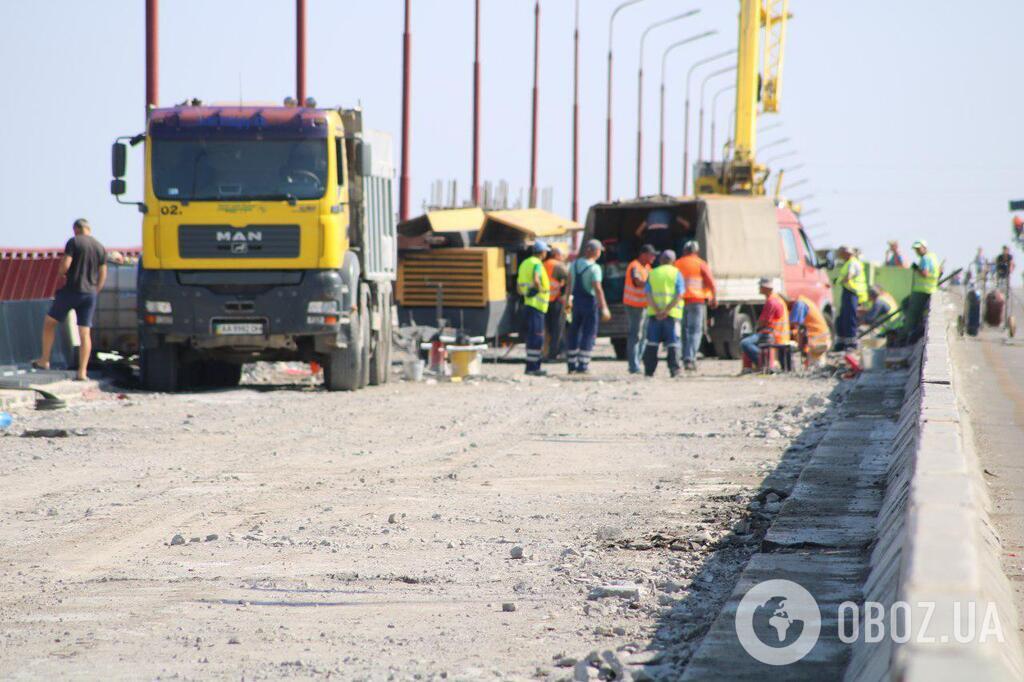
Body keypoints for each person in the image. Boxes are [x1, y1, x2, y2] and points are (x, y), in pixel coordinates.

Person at [33, 218, 107, 381]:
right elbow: (103, 273)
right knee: (84, 332)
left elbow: (66, 264)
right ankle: (82, 372)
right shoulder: (100, 247)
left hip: (72, 291)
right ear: (89, 229)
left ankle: (44, 360)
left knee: (50, 322)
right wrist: (96, 289)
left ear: (76, 229)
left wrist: (61, 273)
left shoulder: (74, 242)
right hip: (89, 294)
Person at [565, 240, 611, 375]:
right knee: (589, 333)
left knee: (573, 332)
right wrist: (604, 307)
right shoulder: (595, 268)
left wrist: (567, 303)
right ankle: (583, 365)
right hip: (589, 304)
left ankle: (571, 364)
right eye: (599, 251)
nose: (600, 253)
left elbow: (568, 285)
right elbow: (598, 289)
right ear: (594, 251)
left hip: (575, 303)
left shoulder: (573, 265)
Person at [674, 240, 717, 371]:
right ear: (696, 251)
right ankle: (690, 358)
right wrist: (714, 297)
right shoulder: (701, 264)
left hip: (681, 301)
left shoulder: (677, 263)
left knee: (684, 331)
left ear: (685, 250)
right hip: (697, 302)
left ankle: (685, 356)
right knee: (695, 331)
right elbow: (711, 282)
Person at [643, 250, 685, 378]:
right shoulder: (676, 273)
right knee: (673, 343)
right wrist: (666, 310)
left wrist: (657, 310)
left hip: (654, 316)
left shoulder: (653, 273)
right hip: (671, 316)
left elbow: (648, 294)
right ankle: (674, 370)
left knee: (652, 343)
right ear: (673, 261)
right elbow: (679, 294)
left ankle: (649, 371)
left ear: (660, 260)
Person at [740, 278, 790, 372]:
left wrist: (757, 328)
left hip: (771, 334)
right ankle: (759, 363)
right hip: (775, 333)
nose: (759, 288)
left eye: (760, 286)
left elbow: (764, 321)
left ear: (766, 288)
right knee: (748, 339)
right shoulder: (776, 299)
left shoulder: (771, 301)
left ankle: (763, 361)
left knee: (745, 343)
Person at [517, 240, 550, 376]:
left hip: (528, 304)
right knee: (537, 337)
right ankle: (533, 367)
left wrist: (527, 293)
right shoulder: (537, 264)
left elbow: (518, 287)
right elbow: (536, 279)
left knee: (531, 337)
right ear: (542, 252)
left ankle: (530, 366)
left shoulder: (525, 263)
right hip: (537, 306)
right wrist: (541, 289)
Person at [621, 244, 656, 374]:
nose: (653, 257)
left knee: (644, 336)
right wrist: (651, 284)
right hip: (634, 305)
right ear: (643, 254)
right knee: (635, 335)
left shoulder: (647, 268)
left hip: (644, 306)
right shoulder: (634, 266)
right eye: (651, 255)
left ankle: (637, 362)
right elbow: (636, 282)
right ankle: (633, 366)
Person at [900, 239, 941, 342]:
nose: (917, 251)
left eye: (919, 249)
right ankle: (911, 330)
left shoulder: (925, 259)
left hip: (922, 291)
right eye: (916, 249)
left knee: (911, 314)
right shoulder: (933, 257)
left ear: (924, 247)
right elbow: (940, 271)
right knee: (906, 305)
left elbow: (925, 273)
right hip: (929, 289)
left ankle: (905, 336)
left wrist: (916, 268)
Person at [833, 245, 867, 351]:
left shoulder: (852, 263)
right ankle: (843, 342)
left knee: (849, 318)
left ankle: (851, 343)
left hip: (851, 292)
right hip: (848, 292)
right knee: (843, 318)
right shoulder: (849, 262)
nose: (840, 255)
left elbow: (849, 276)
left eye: (841, 253)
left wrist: (840, 281)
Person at [788, 294, 832, 367]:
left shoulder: (800, 304)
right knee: (817, 364)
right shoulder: (804, 301)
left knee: (814, 366)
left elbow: (796, 325)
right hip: (823, 339)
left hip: (817, 341)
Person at [543, 247, 568, 361]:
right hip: (556, 300)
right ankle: (557, 352)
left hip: (544, 301)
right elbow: (569, 278)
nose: (563, 258)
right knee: (558, 328)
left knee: (549, 329)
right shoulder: (558, 265)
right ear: (556, 255)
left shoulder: (544, 264)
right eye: (562, 255)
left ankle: (548, 353)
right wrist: (565, 295)